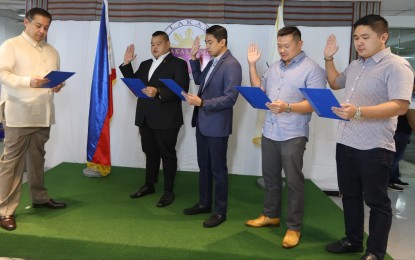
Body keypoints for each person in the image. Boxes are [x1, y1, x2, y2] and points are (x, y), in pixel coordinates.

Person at [324, 14, 414, 260]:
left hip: (374, 145)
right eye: (356, 38)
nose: (359, 42)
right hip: (346, 141)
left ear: (383, 37)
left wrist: (359, 112)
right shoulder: (356, 65)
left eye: (365, 37)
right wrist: (328, 58)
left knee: (377, 202)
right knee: (350, 196)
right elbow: (334, 82)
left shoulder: (396, 65)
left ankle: (375, 251)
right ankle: (352, 240)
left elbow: (400, 106)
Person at [244, 26, 326, 248]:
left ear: (299, 44)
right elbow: (258, 89)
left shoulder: (313, 69)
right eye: (279, 46)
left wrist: (288, 107)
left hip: (293, 133)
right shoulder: (274, 68)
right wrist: (252, 64)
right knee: (270, 178)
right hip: (270, 131)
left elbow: (317, 104)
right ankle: (270, 215)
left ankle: (294, 227)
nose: (282, 50)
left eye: (287, 45)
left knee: (293, 182)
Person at [0, 8, 67, 232]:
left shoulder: (52, 51)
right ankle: (5, 211)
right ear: (26, 23)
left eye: (46, 27)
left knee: (38, 159)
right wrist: (30, 82)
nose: (42, 31)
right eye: (38, 26)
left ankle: (39, 198)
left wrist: (57, 85)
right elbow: (2, 73)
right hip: (18, 113)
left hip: (43, 113)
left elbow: (51, 80)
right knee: (12, 164)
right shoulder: (11, 45)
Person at [119, 31, 190, 208]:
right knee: (150, 153)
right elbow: (134, 83)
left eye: (158, 43)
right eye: (152, 44)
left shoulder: (178, 64)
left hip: (167, 119)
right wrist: (127, 64)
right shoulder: (145, 64)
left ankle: (168, 191)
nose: (154, 47)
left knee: (167, 155)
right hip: (145, 117)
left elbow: (182, 89)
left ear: (168, 44)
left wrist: (159, 92)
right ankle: (149, 185)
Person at [182, 25, 241, 228]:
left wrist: (203, 103)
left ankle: (219, 211)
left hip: (217, 126)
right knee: (204, 167)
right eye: (206, 42)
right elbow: (199, 79)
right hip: (203, 123)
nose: (206, 47)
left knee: (218, 170)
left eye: (209, 43)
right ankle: (204, 203)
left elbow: (231, 98)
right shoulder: (213, 61)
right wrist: (193, 58)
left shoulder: (232, 64)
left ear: (222, 42)